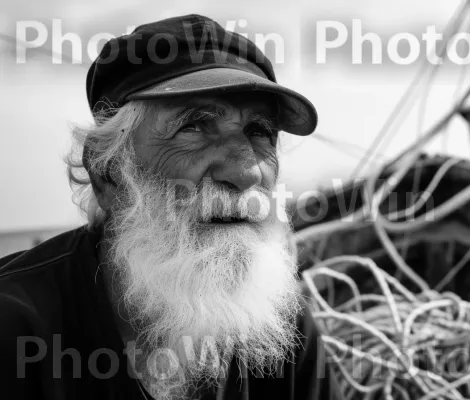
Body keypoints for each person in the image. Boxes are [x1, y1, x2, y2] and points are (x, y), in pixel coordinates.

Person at [0, 14, 343, 400]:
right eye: (194, 126)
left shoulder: (283, 328)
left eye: (259, 132)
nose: (246, 172)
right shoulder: (15, 329)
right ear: (108, 174)